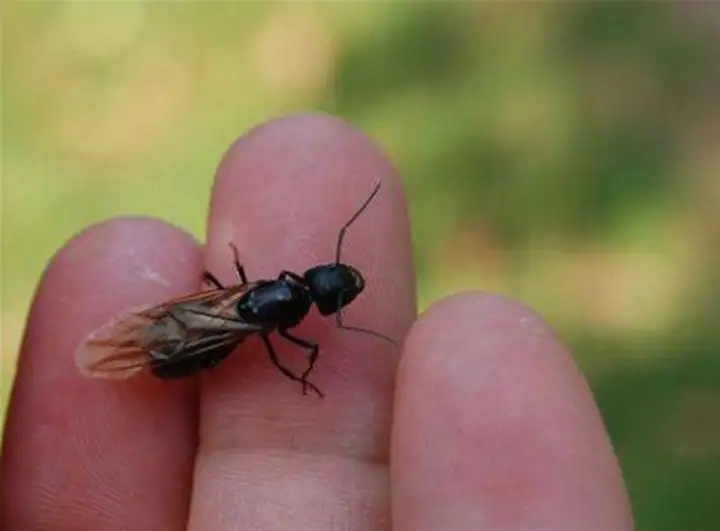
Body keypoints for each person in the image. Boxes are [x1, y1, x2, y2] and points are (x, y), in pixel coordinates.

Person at [0, 114, 634, 530]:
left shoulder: (275, 292)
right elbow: (281, 347)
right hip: (208, 328)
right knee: (197, 342)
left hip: (219, 312)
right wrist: (300, 369)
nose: (333, 292)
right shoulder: (281, 313)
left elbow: (261, 314)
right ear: (305, 295)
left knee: (204, 328)